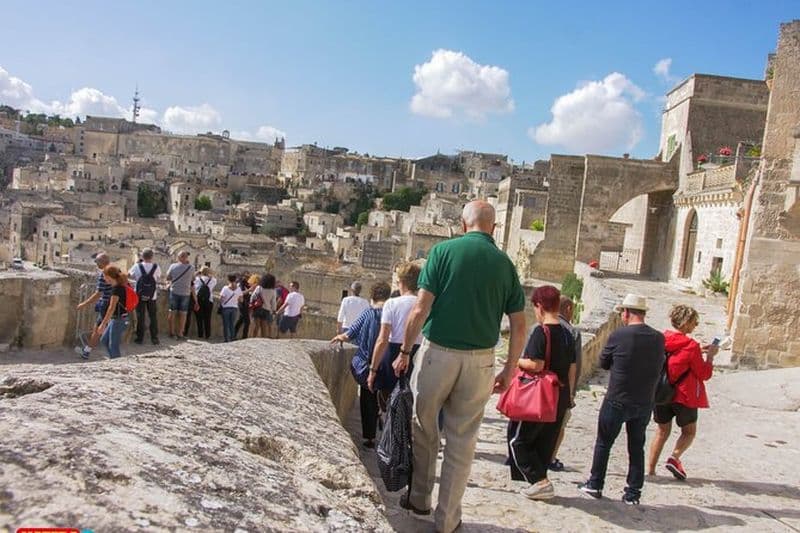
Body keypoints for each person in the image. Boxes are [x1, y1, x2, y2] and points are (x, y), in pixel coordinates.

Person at [393, 201, 527, 533]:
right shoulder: (505, 265)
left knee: (424, 427)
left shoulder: (443, 252)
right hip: (481, 360)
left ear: (463, 225)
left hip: (437, 353)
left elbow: (420, 310)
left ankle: (420, 498)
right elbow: (520, 325)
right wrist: (509, 369)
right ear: (494, 229)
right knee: (462, 440)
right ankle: (448, 518)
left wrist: (406, 351)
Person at [579, 294, 665, 505]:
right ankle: (633, 493)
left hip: (618, 397)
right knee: (636, 447)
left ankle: (595, 483)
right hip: (644, 401)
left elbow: (604, 362)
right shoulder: (658, 338)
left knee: (604, 443)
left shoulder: (619, 335)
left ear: (626, 313)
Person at [507, 286, 576, 500]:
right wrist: (569, 396)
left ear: (539, 306)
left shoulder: (541, 331)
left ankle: (539, 481)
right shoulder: (567, 333)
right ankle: (539, 481)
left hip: (538, 396)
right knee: (545, 441)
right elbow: (572, 367)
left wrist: (514, 361)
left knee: (518, 440)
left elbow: (536, 364)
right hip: (560, 395)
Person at [647, 304, 718, 480]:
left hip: (661, 393)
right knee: (689, 432)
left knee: (661, 431)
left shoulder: (661, 339)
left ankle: (650, 469)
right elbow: (704, 373)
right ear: (686, 323)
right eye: (694, 322)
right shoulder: (691, 345)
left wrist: (698, 351)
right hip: (683, 395)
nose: (696, 325)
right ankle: (674, 457)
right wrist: (710, 357)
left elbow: (674, 357)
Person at [330, 282, 392, 448]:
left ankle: (369, 438)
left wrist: (339, 337)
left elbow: (351, 332)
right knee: (388, 399)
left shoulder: (369, 312)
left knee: (367, 398)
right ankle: (388, 436)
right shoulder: (392, 312)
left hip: (367, 362)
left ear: (372, 296)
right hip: (387, 364)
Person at [367, 262, 422, 394]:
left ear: (402, 282)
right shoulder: (424, 305)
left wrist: (373, 370)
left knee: (390, 402)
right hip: (418, 355)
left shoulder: (391, 304)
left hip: (392, 354)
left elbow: (382, 339)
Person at [550, 295, 583, 472]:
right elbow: (576, 366)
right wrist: (572, 392)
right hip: (562, 387)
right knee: (559, 424)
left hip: (540, 385)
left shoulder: (541, 327)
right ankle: (551, 457)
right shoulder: (573, 333)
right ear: (569, 309)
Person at [75, 253, 113, 359]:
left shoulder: (104, 274)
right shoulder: (115, 271)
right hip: (115, 303)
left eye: (97, 262)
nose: (96, 264)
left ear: (102, 262)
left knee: (97, 329)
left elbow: (98, 293)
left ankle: (86, 352)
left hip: (106, 304)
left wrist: (84, 304)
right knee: (108, 328)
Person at [128, 248, 161, 345]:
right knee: (153, 316)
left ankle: (140, 338)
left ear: (142, 256)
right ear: (152, 256)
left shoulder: (137, 266)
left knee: (140, 316)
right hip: (152, 296)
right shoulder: (156, 267)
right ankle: (154, 338)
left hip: (139, 295)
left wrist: (138, 263)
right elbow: (158, 277)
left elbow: (129, 275)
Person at [96, 265, 130, 359]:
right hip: (116, 318)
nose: (103, 278)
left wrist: (103, 324)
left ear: (109, 276)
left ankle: (117, 363)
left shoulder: (117, 289)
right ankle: (113, 359)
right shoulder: (118, 286)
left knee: (113, 345)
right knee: (104, 340)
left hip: (119, 319)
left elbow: (111, 308)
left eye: (104, 276)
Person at [166, 251, 197, 340]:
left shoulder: (173, 266)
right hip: (186, 293)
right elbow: (193, 279)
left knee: (172, 312)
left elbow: (168, 278)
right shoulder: (191, 268)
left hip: (174, 291)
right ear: (186, 258)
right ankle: (180, 333)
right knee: (183, 314)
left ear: (178, 257)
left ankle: (171, 332)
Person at [250, 274, 277, 338]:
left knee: (256, 326)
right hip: (266, 309)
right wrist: (274, 310)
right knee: (264, 327)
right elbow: (273, 302)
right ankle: (263, 340)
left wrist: (251, 304)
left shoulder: (259, 288)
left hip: (257, 308)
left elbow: (253, 297)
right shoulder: (273, 291)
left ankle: (253, 339)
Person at [194, 266, 217, 339]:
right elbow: (214, 277)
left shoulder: (197, 279)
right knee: (207, 318)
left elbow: (192, 282)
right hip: (209, 300)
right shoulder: (213, 280)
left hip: (199, 300)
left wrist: (197, 273)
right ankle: (208, 335)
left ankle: (200, 334)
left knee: (199, 318)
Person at [219, 274, 243, 342]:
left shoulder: (225, 288)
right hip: (234, 308)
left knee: (226, 324)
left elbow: (221, 299)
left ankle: (226, 339)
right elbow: (241, 300)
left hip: (226, 308)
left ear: (228, 280)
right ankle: (232, 337)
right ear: (235, 279)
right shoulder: (238, 289)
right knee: (232, 324)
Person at [234, 273, 254, 339]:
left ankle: (233, 334)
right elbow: (241, 293)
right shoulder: (241, 283)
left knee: (240, 320)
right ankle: (244, 337)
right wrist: (249, 290)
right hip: (242, 304)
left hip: (246, 304)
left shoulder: (247, 283)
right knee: (247, 321)